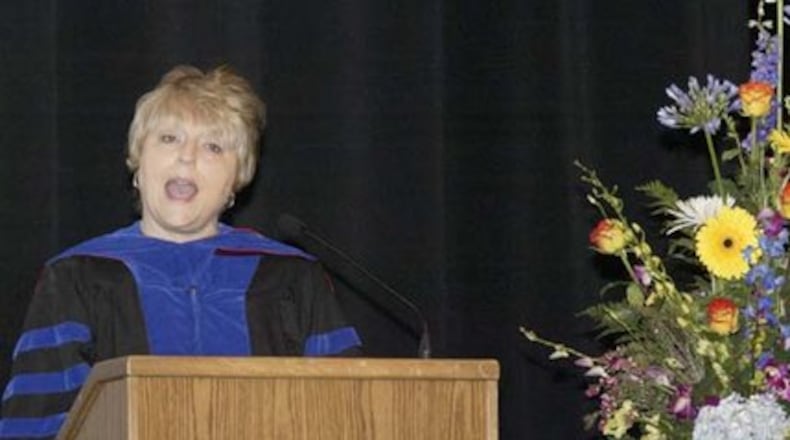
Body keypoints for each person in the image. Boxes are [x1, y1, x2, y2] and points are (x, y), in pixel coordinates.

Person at [0, 65, 362, 439]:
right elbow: (35, 426)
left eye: (213, 146)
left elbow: (348, 415)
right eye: (169, 138)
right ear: (138, 163)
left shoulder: (289, 278)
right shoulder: (79, 276)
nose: (187, 157)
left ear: (235, 181)